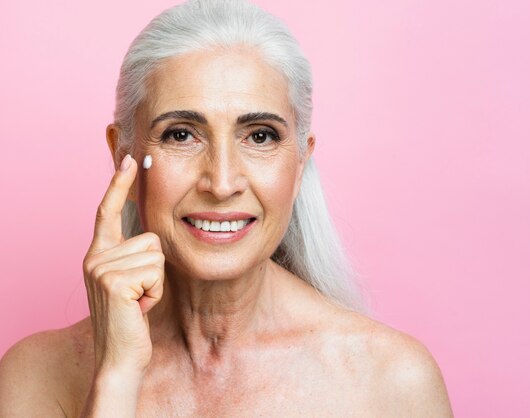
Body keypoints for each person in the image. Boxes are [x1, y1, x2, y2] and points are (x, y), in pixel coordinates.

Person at [0, 0, 453, 416]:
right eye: (181, 134)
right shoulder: (36, 377)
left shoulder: (392, 383)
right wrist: (116, 377)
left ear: (299, 164)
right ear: (125, 158)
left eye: (259, 136)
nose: (221, 183)